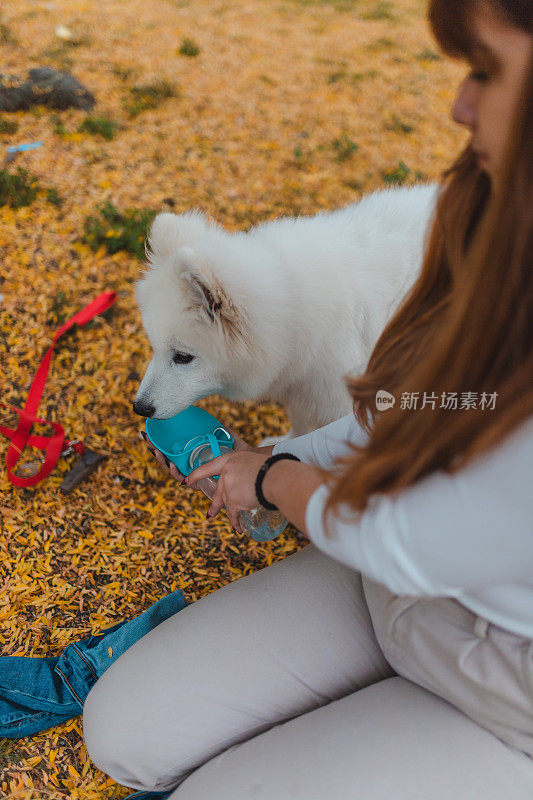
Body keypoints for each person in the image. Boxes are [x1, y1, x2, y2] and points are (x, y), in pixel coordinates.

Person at [82, 0, 533, 796]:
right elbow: (423, 410)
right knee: (123, 735)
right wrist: (285, 457)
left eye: (485, 71)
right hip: (394, 578)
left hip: (505, 680)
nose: (458, 104)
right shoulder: (487, 213)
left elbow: (409, 533)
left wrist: (274, 480)